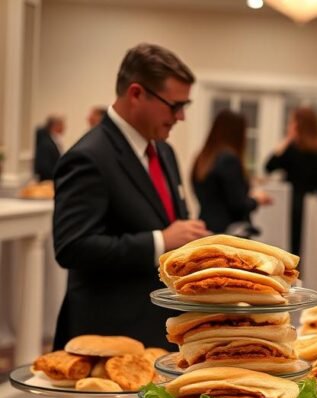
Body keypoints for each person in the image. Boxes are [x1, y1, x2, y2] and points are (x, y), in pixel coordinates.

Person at [52, 43, 210, 349]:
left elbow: (170, 220)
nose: (180, 117)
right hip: (107, 333)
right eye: (174, 106)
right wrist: (161, 241)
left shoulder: (163, 150)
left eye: (185, 107)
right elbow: (72, 247)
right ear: (136, 94)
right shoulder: (88, 156)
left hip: (158, 327)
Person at [264, 107, 317, 256]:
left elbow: (269, 166)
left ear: (297, 125)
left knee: (289, 247)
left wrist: (287, 138)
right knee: (310, 250)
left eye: (291, 122)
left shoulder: (291, 149)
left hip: (291, 202)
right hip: (314, 204)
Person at [192, 110, 270, 234]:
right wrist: (256, 200)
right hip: (229, 231)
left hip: (205, 226)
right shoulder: (229, 160)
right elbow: (238, 205)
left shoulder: (203, 158)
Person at [33, 115, 65, 181]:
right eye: (62, 125)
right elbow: (44, 167)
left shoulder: (54, 139)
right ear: (55, 126)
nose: (64, 127)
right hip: (48, 181)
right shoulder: (46, 143)